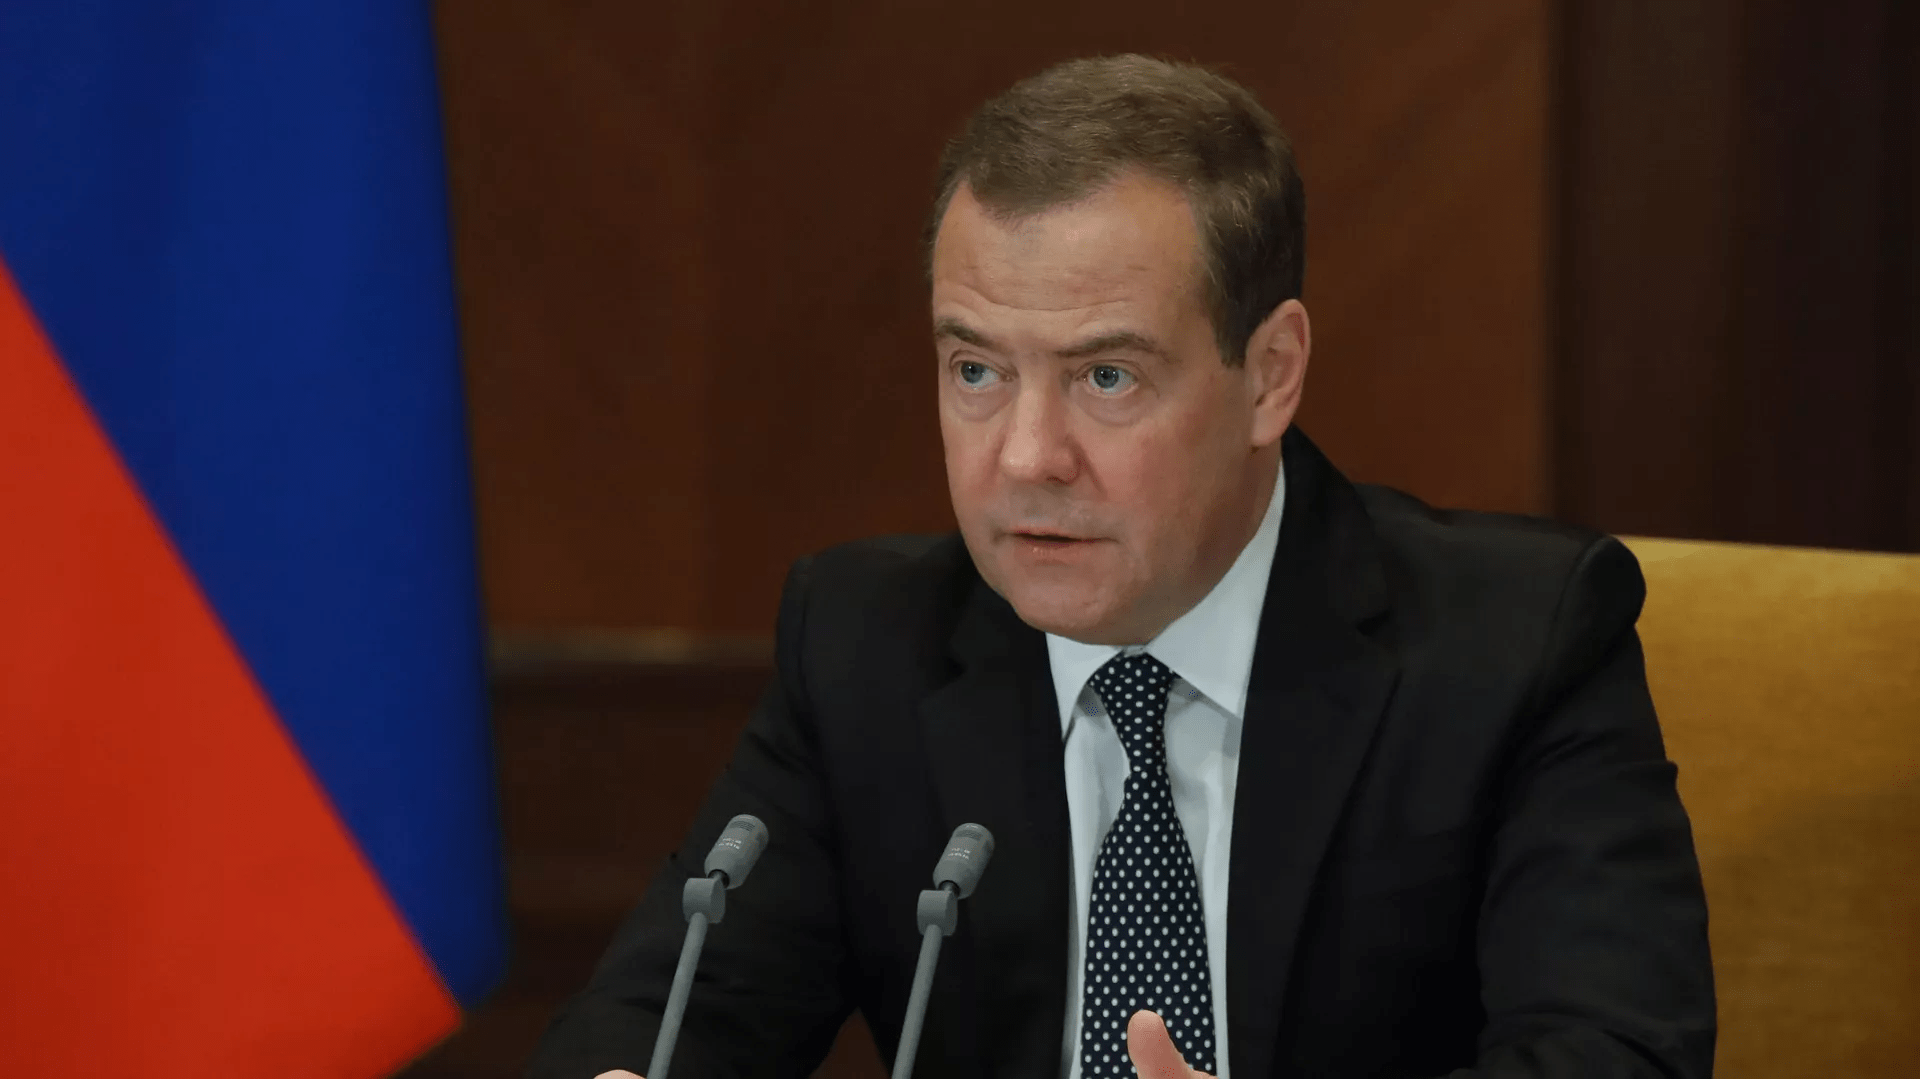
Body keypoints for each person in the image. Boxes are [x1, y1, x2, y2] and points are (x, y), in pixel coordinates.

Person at [528, 55, 1715, 1079]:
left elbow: (1616, 1053)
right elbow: (668, 1011)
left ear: (1271, 373)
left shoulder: (1515, 645)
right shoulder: (863, 645)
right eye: (977, 370)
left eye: (1107, 376)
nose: (1026, 457)